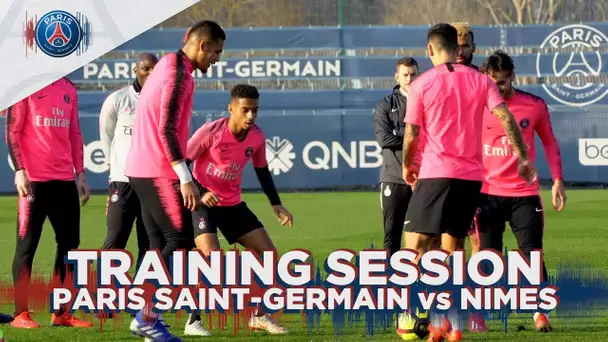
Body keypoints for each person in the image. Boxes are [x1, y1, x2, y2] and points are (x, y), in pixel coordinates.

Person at [396, 23, 535, 342]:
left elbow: (412, 133)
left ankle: (415, 315)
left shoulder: (422, 84)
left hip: (435, 173)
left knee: (413, 249)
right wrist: (523, 157)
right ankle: (452, 326)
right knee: (452, 249)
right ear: (457, 49)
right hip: (470, 179)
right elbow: (506, 118)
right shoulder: (481, 80)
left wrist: (407, 165)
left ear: (430, 49)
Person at [125, 20, 225, 342]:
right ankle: (145, 316)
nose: (217, 59)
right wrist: (186, 178)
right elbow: (166, 128)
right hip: (158, 170)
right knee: (179, 242)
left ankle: (147, 322)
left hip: (143, 168)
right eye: (216, 52)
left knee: (158, 245)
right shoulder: (178, 74)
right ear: (201, 46)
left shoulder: (169, 65)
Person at [467, 50, 565, 334]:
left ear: (512, 77)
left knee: (531, 256)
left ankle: (539, 313)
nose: (497, 88)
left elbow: (549, 142)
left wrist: (557, 179)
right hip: (487, 195)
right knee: (487, 257)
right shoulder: (476, 106)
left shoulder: (533, 105)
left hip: (524, 194)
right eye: (492, 82)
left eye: (502, 82)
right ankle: (479, 315)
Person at [186, 84, 294, 336]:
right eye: (245, 110)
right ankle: (193, 320)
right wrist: (202, 192)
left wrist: (275, 203)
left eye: (255, 111)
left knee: (269, 254)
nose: (250, 116)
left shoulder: (256, 136)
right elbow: (181, 166)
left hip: (232, 204)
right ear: (231, 108)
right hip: (203, 205)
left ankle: (259, 315)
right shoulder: (209, 132)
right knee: (211, 260)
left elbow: (262, 170)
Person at [5, 77, 93, 329]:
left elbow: (75, 133)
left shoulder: (69, 88)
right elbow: (12, 130)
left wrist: (81, 173)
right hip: (33, 181)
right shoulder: (24, 86)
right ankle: (20, 314)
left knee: (69, 246)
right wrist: (20, 170)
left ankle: (62, 312)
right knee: (27, 246)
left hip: (65, 180)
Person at [99, 53, 158, 270]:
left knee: (149, 243)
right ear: (136, 71)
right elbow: (106, 136)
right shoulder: (117, 100)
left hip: (151, 184)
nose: (151, 73)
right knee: (115, 239)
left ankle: (144, 297)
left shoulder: (164, 103)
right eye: (146, 69)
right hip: (122, 182)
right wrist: (113, 173)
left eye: (155, 69)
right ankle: (105, 295)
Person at [373, 57, 419, 256]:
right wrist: (414, 135)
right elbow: (384, 139)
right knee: (392, 235)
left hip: (423, 179)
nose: (410, 79)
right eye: (405, 75)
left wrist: (399, 133)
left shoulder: (429, 101)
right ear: (397, 77)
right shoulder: (385, 105)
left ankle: (425, 280)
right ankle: (390, 282)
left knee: (425, 235)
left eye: (413, 74)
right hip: (394, 178)